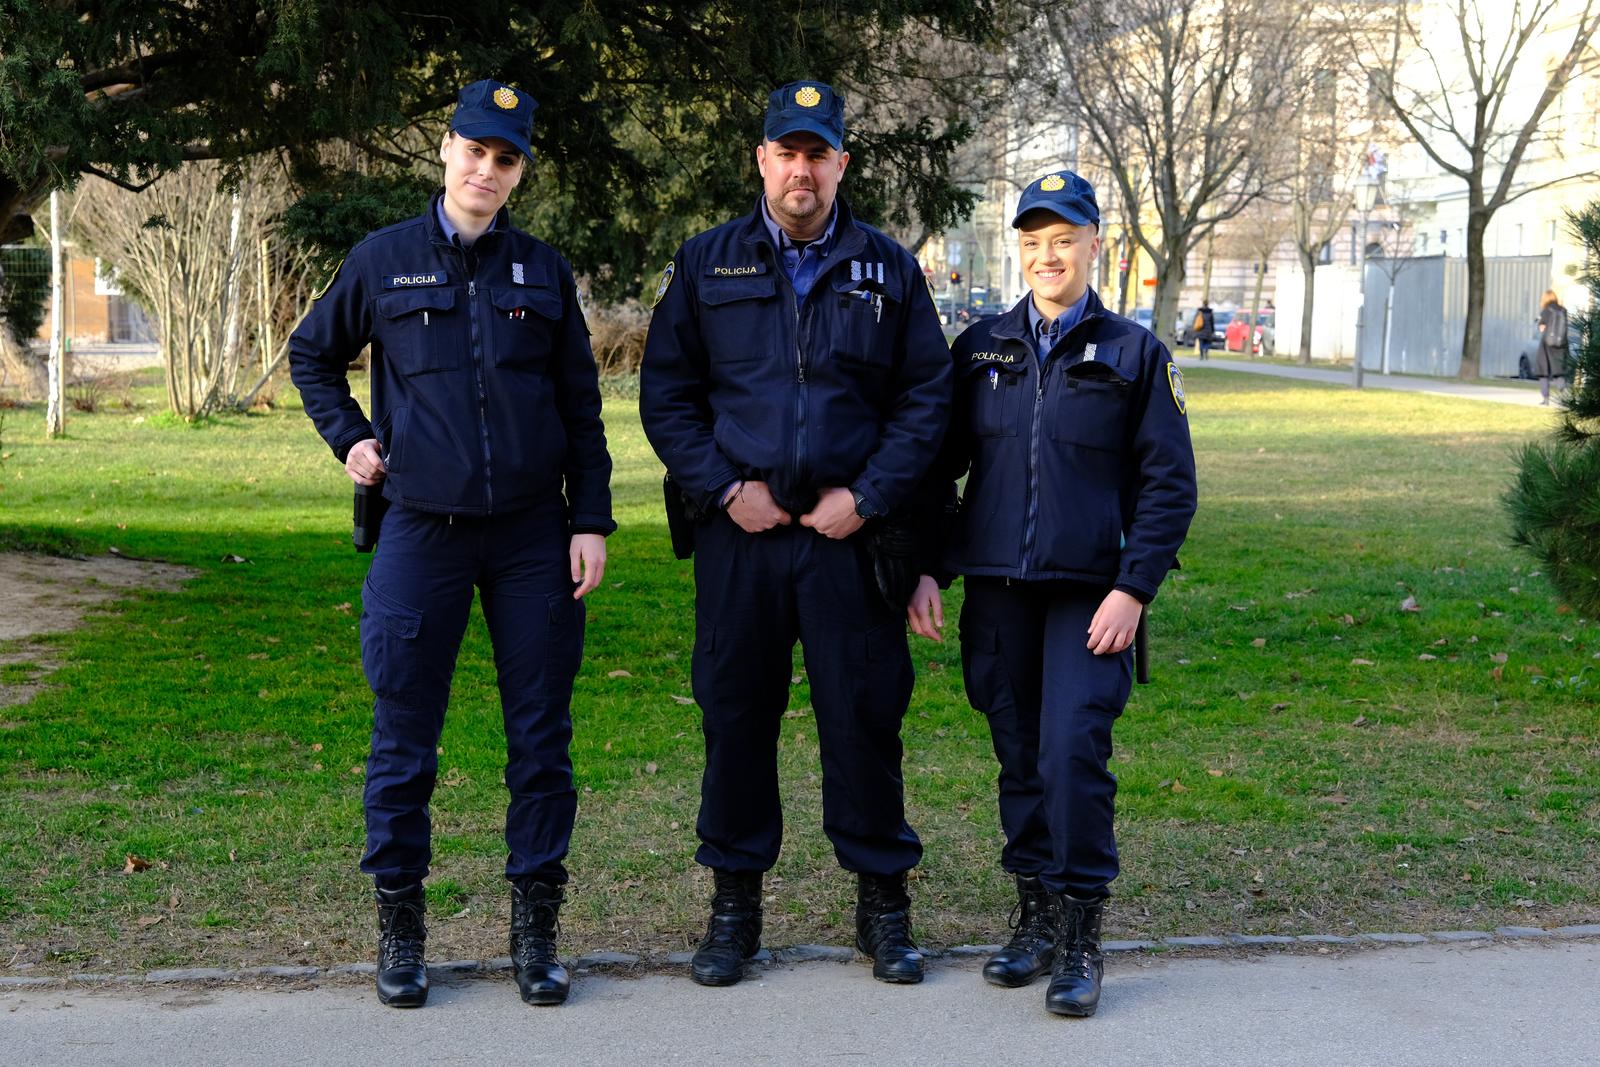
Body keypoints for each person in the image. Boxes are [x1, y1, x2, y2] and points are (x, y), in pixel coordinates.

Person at [288, 80, 614, 1010]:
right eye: (475, 149)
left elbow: (581, 408)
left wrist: (588, 518)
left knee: (541, 739)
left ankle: (535, 928)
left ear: (519, 173)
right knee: (403, 738)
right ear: (446, 148)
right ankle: (400, 925)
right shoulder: (384, 260)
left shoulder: (541, 272)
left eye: (506, 158)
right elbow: (312, 352)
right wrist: (349, 436)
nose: (486, 169)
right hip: (420, 532)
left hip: (529, 537)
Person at [639, 79, 952, 988]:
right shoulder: (706, 263)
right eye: (788, 152)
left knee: (864, 717)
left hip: (850, 537)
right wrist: (724, 487)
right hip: (744, 534)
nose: (802, 169)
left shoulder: (889, 268)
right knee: (735, 714)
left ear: (841, 162)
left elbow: (925, 399)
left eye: (819, 153)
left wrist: (871, 495)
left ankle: (883, 904)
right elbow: (667, 394)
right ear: (763, 160)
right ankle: (734, 905)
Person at [907, 170, 1197, 1017]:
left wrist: (1133, 587)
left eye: (1063, 240)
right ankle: (1032, 914)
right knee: (1019, 756)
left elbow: (1169, 486)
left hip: (1088, 598)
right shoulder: (982, 351)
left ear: (1094, 245)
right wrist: (928, 565)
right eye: (1032, 242)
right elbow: (939, 469)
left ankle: (1080, 933)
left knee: (1073, 755)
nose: (1047, 256)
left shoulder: (1135, 355)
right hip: (998, 592)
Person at [1535, 289, 1569, 405]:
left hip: (1547, 344)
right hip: (1561, 345)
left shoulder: (1546, 310)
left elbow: (1541, 328)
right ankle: (1564, 396)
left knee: (1543, 370)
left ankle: (1546, 399)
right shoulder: (1563, 310)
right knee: (1558, 371)